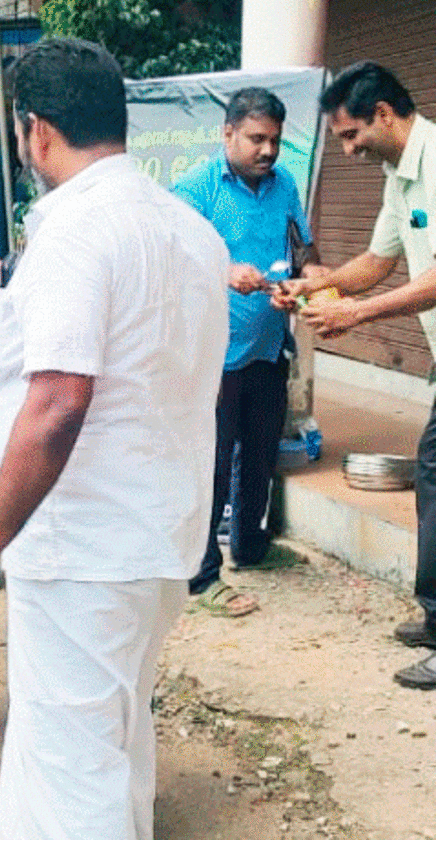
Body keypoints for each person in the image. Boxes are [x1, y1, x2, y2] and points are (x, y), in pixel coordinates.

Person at [0, 38, 228, 838]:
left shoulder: (75, 230)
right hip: (157, 535)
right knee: (113, 741)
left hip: (85, 545)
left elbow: (60, 401)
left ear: (35, 131)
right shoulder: (192, 233)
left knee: (69, 765)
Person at [278, 61, 436, 690]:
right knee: (430, 474)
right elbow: (379, 259)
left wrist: (356, 312)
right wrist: (315, 284)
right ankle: (433, 616)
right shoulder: (400, 176)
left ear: (384, 115)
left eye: (349, 135)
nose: (346, 150)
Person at [174, 87, 323, 620]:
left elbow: (303, 248)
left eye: (276, 141)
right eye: (257, 138)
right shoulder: (195, 188)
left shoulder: (284, 185)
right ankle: (201, 573)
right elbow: (168, 260)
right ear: (228, 133)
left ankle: (252, 547)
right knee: (210, 463)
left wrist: (312, 281)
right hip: (213, 353)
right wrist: (223, 272)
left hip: (267, 344)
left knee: (259, 451)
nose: (268, 151)